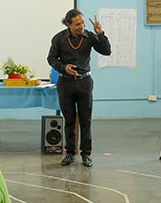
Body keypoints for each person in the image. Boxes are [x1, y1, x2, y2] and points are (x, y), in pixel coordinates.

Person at [46, 9, 112, 167]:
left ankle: (86, 154)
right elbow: (51, 58)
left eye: (82, 23)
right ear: (68, 24)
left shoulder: (89, 36)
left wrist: (100, 33)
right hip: (66, 82)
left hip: (84, 82)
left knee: (85, 120)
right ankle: (69, 153)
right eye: (77, 24)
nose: (81, 26)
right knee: (68, 120)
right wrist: (64, 67)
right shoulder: (59, 38)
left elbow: (106, 51)